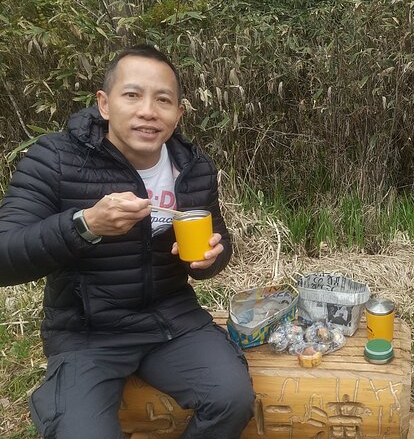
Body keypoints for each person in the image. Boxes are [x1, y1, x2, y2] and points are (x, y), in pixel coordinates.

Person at [0, 45, 255, 439]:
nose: (148, 111)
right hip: (86, 331)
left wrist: (211, 259)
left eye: (163, 100)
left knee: (232, 397)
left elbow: (216, 240)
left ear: (178, 113)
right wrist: (85, 224)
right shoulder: (55, 159)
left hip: (171, 320)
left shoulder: (193, 167)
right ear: (104, 104)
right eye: (132, 95)